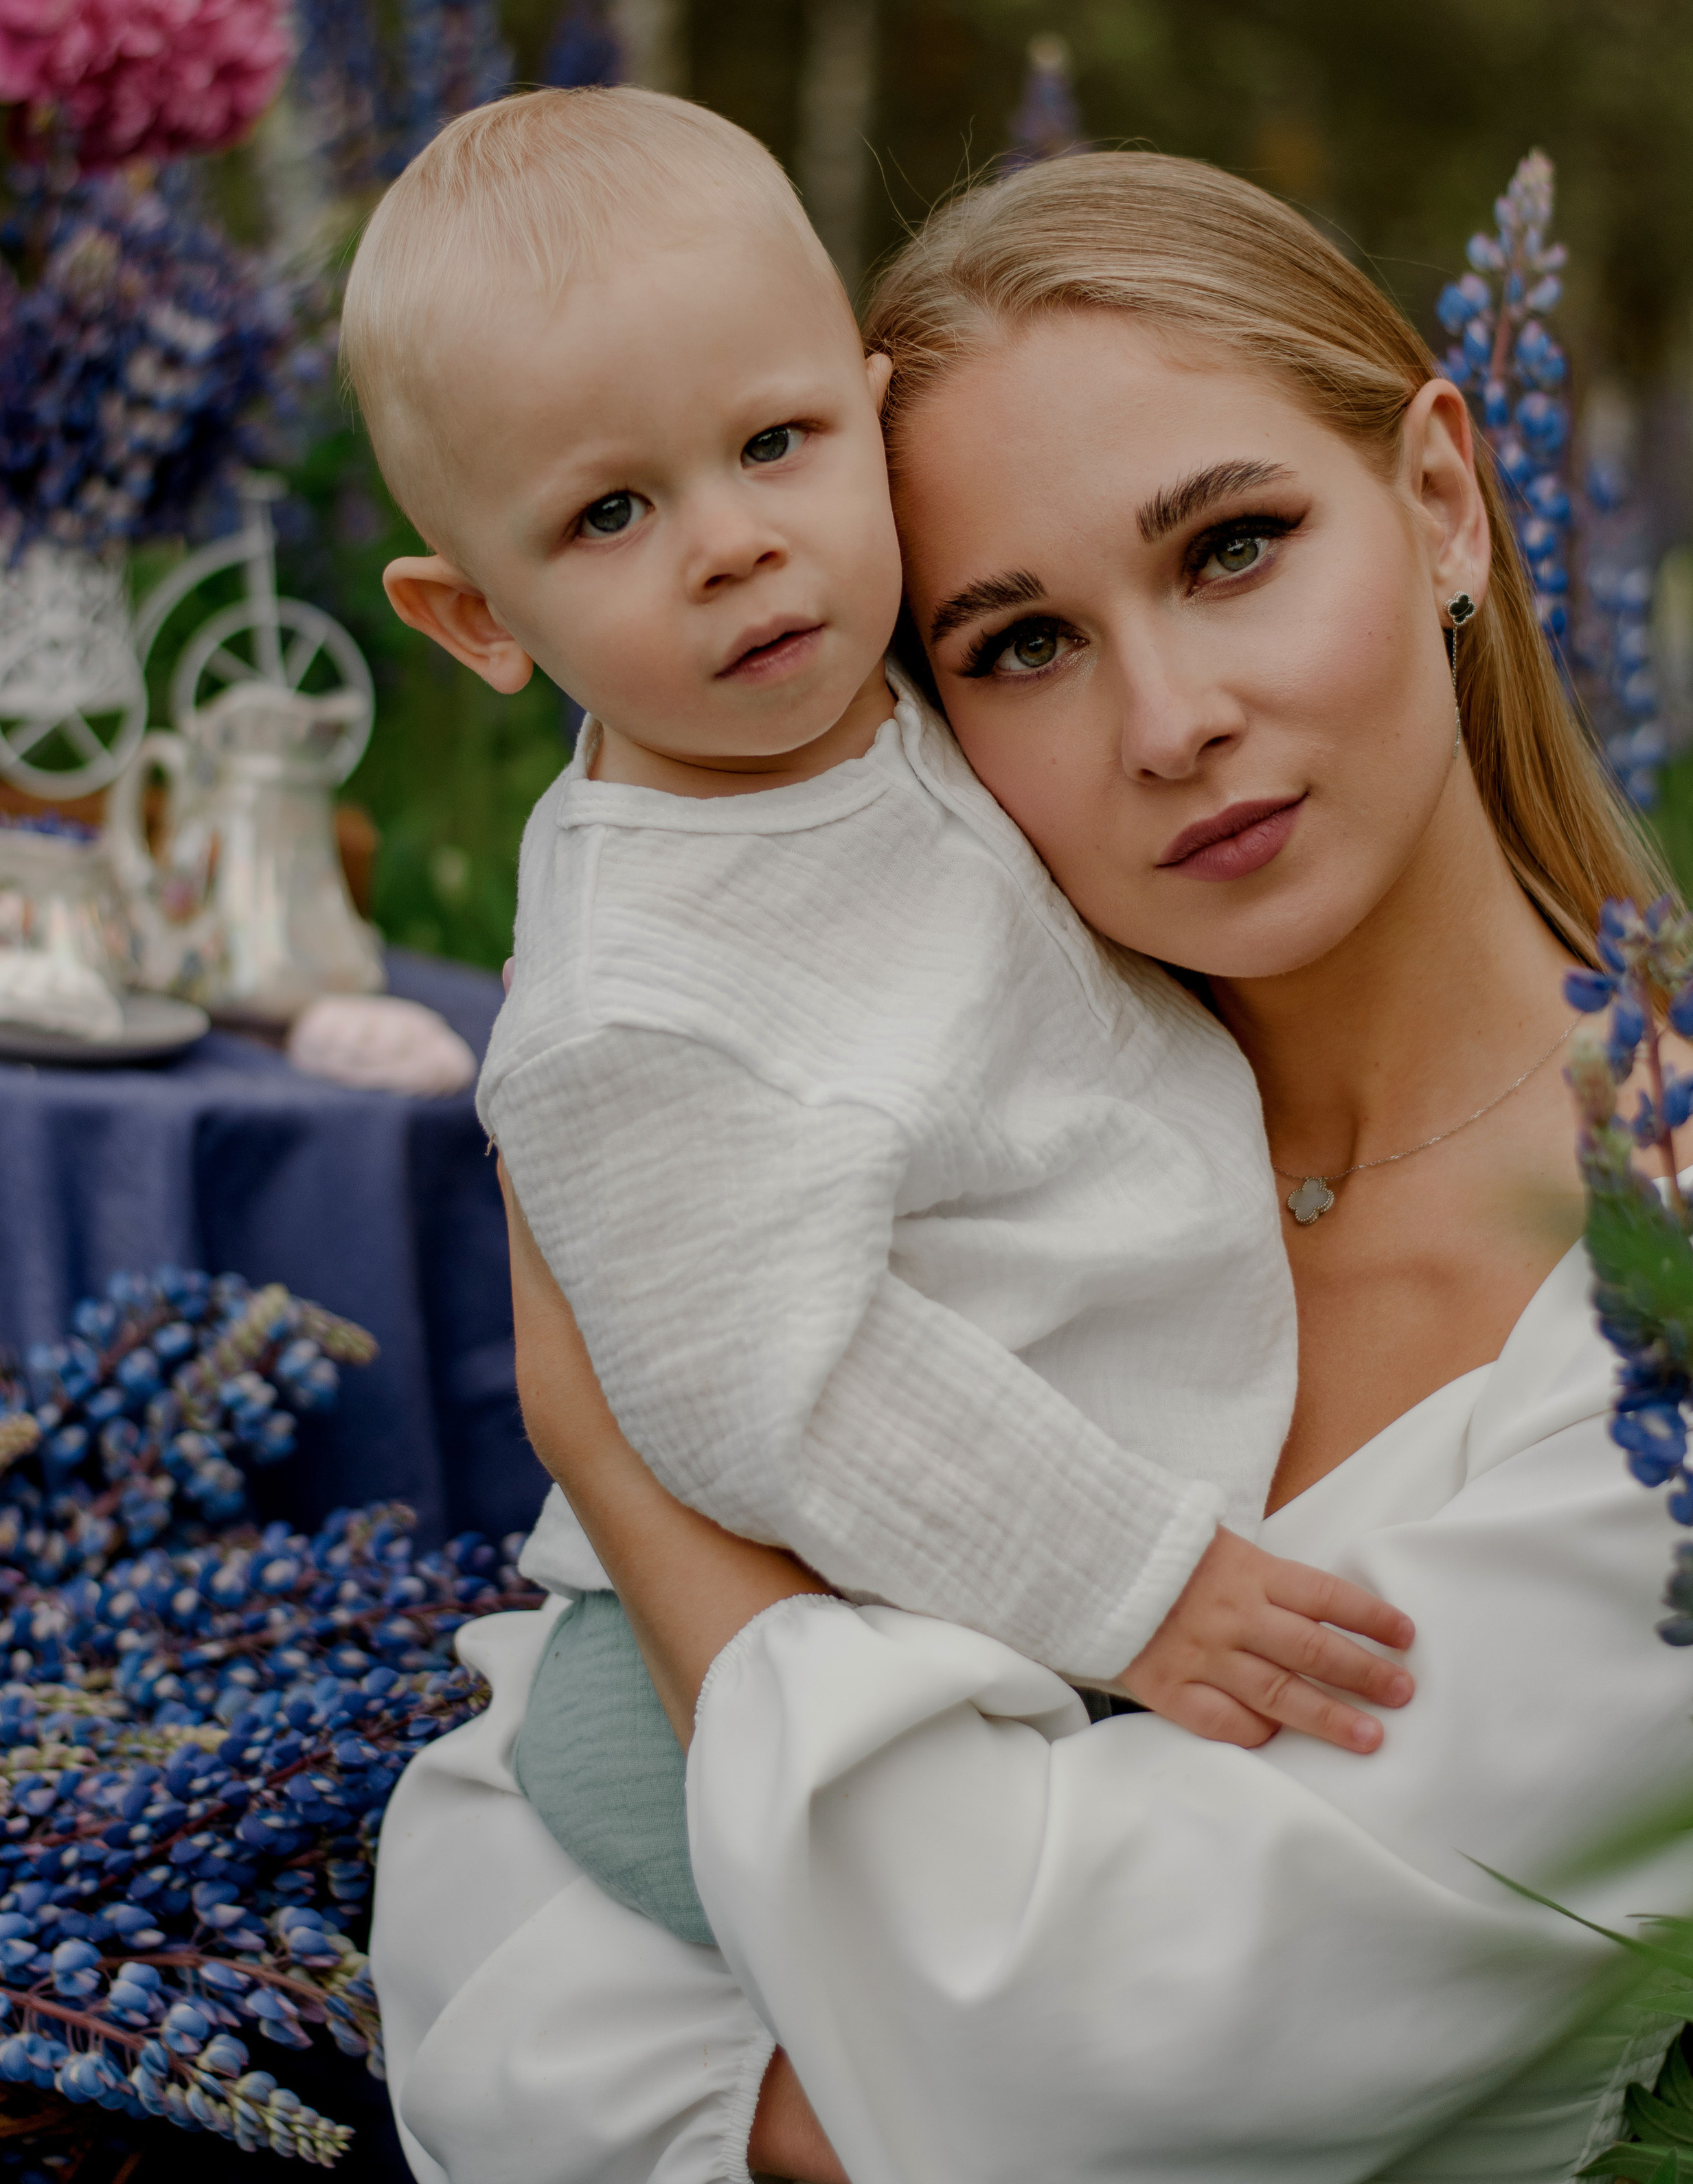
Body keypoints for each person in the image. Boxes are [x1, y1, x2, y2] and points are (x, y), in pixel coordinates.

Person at [372, 151, 1693, 2184]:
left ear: (1447, 500)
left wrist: (624, 1470)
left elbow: (1082, 2076)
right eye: (1017, 645)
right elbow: (486, 1880)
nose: (1171, 722)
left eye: (1234, 548)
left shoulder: (1692, 1331)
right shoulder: (972, 1149)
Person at [340, 95, 1411, 1953]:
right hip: (827, 1645)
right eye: (609, 513)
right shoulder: (638, 1000)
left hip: (1019, 1587)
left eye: (776, 443)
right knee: (1040, 2022)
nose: (734, 545)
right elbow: (795, 1391)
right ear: (474, 619)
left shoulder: (890, 705)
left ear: (872, 415)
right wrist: (1136, 1587)